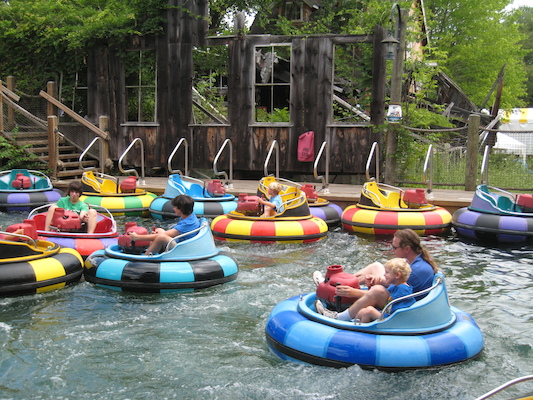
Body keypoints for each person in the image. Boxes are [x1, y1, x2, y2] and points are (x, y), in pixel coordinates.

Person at [314, 228, 439, 321]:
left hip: (406, 309)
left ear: (407, 248)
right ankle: (333, 283)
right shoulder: (412, 262)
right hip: (399, 295)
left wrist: (355, 292)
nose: (392, 250)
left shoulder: (415, 271)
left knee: (377, 290)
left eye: (394, 247)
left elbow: (391, 295)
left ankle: (338, 315)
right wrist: (376, 279)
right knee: (376, 267)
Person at [128, 194, 200, 255]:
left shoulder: (188, 223)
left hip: (183, 249)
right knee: (159, 230)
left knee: (161, 237)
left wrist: (137, 237)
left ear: (181, 209)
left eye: (175, 207)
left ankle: (144, 258)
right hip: (182, 242)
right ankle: (149, 248)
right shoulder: (189, 216)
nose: (173, 209)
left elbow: (164, 235)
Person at [349, 258, 415, 323]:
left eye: (387, 272)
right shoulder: (394, 285)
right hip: (389, 313)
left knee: (369, 311)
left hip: (394, 319)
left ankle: (362, 329)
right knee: (362, 311)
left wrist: (383, 313)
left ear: (397, 275)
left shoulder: (403, 289)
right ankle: (353, 325)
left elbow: (400, 312)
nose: (384, 274)